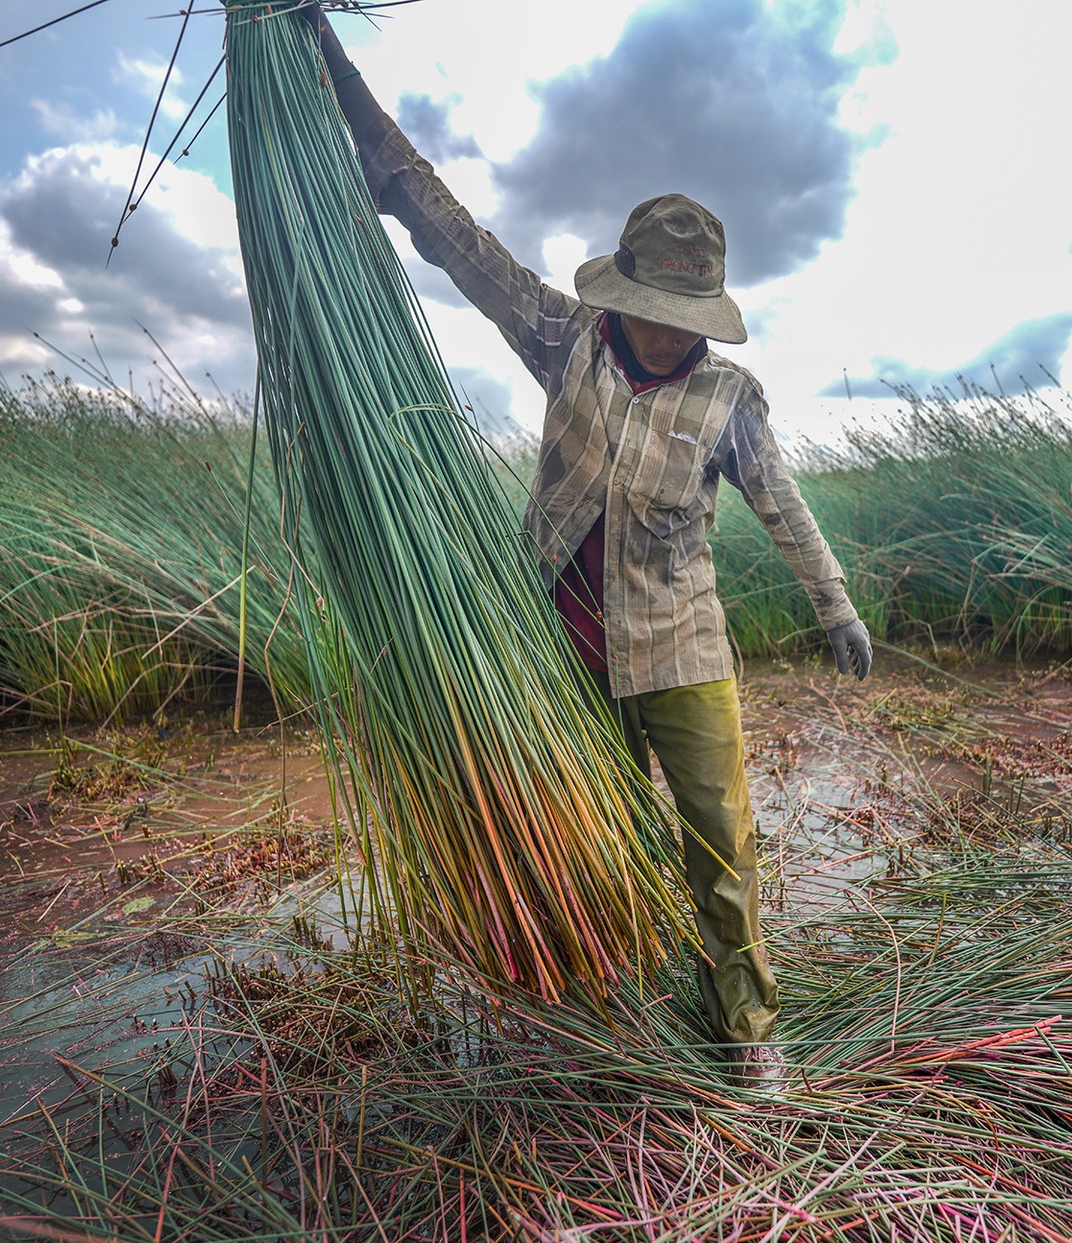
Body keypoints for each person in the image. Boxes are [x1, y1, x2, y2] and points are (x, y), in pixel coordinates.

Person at [304, 8, 872, 1074]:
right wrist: (334, 76)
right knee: (597, 826)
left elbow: (784, 506)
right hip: (565, 654)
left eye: (687, 308)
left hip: (682, 648)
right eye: (656, 305)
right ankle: (610, 1002)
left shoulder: (728, 393)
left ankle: (747, 1032)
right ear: (623, 293)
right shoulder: (563, 336)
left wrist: (832, 603)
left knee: (720, 841)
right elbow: (450, 233)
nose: (671, 327)